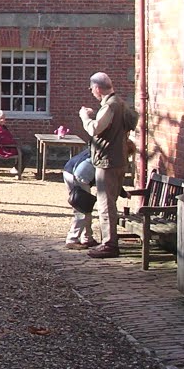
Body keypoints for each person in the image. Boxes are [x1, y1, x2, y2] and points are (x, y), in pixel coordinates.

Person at [79, 72, 129, 259]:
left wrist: (85, 117)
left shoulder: (110, 105)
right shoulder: (122, 103)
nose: (92, 92)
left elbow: (94, 129)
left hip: (107, 161)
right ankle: (109, 240)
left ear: (98, 88)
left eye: (92, 88)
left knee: (105, 204)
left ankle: (109, 244)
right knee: (110, 202)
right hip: (119, 159)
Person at [63, 147, 99, 249]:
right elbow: (111, 176)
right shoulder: (111, 152)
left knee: (85, 207)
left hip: (69, 170)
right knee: (82, 209)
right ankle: (72, 239)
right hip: (79, 175)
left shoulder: (99, 146)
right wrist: (122, 192)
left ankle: (87, 238)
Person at [0, 109, 22, 174]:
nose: (3, 120)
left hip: (6, 147)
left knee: (25, 150)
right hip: (3, 149)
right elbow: (3, 141)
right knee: (26, 153)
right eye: (1, 118)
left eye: (4, 118)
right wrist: (15, 144)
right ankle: (17, 170)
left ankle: (16, 169)